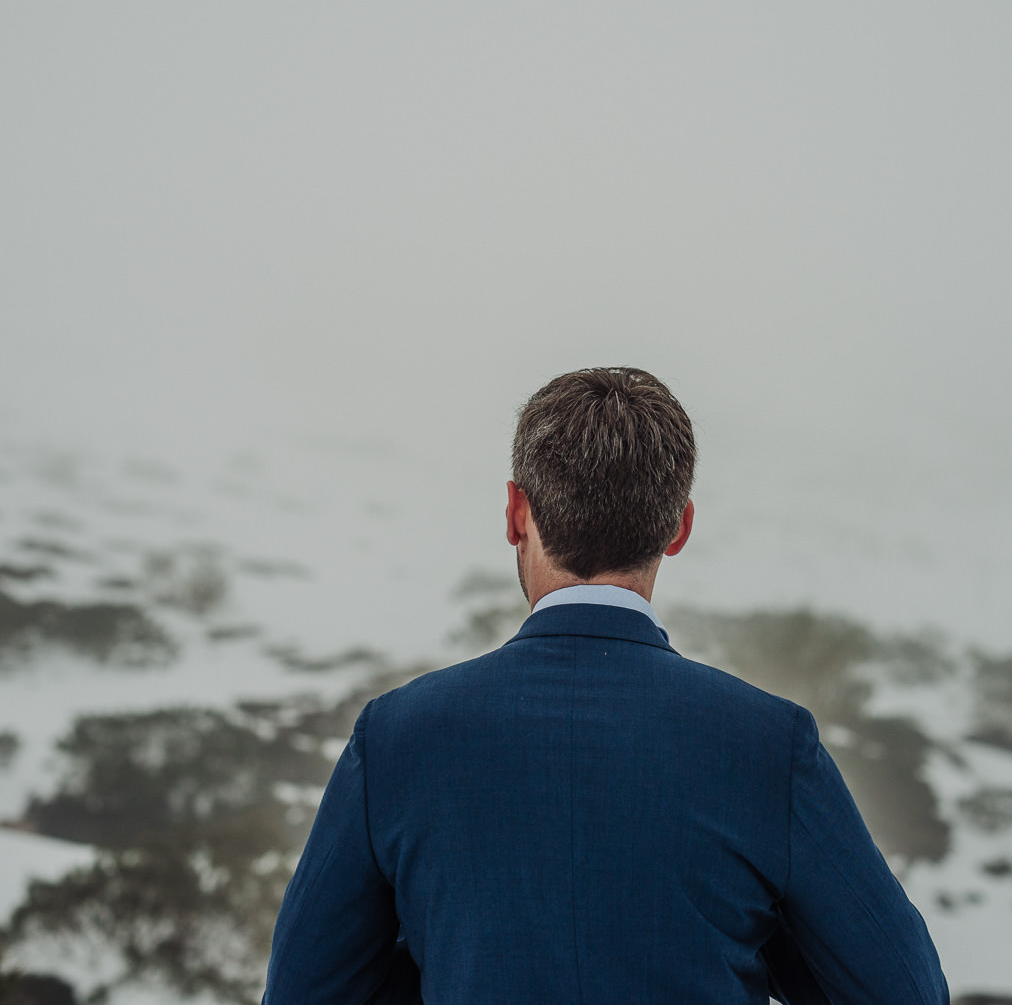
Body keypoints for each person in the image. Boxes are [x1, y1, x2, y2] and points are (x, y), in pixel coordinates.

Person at [261, 367, 949, 1005]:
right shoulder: (770, 745)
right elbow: (905, 994)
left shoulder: (395, 738)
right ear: (679, 526)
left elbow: (304, 994)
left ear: (515, 514)